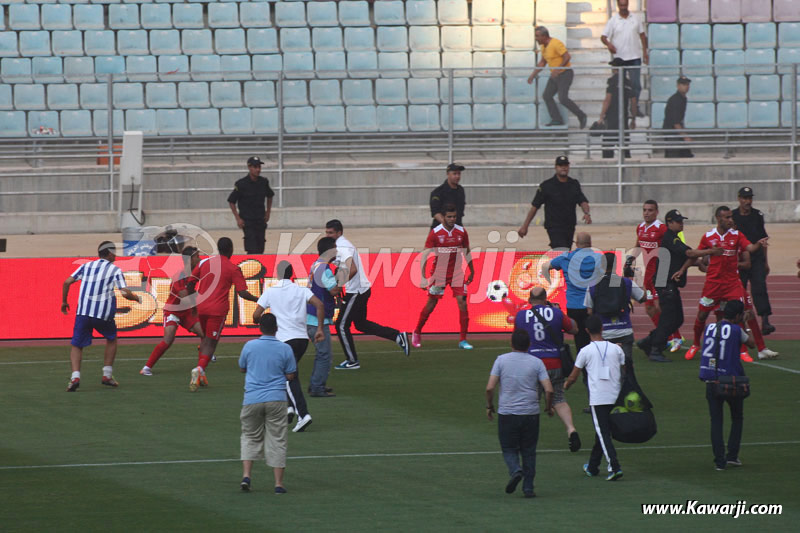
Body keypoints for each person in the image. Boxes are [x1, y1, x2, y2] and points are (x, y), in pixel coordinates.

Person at [685, 206, 769, 362]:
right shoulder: (708, 236)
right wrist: (710, 252)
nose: (731, 220)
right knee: (702, 315)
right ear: (718, 218)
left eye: (731, 217)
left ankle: (742, 350)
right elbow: (693, 253)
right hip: (713, 284)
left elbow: (749, 248)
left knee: (740, 314)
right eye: (727, 217)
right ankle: (696, 344)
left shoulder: (736, 235)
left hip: (732, 283)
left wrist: (758, 244)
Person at [636, 210, 722, 361]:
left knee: (677, 319)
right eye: (678, 221)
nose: (681, 223)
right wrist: (711, 251)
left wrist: (699, 263)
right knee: (669, 318)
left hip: (668, 283)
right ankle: (655, 349)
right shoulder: (670, 238)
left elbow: (686, 256)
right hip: (665, 283)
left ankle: (648, 341)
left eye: (681, 220)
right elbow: (689, 253)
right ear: (669, 223)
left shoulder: (674, 238)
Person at [325, 219, 410, 369]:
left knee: (341, 326)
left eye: (331, 232)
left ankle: (352, 361)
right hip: (361, 289)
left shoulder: (342, 247)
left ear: (339, 233)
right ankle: (397, 336)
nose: (328, 235)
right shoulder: (341, 245)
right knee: (361, 325)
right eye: (327, 232)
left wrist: (338, 286)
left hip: (356, 291)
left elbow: (352, 270)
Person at [253, 261, 325, 433]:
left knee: (287, 377)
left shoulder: (271, 291)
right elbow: (319, 305)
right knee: (284, 374)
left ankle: (303, 414)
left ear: (277, 274)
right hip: (302, 339)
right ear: (292, 274)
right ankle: (289, 408)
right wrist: (320, 328)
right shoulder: (301, 290)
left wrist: (260, 321)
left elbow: (256, 314)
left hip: (283, 341)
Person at [61, 241, 141, 391]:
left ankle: (75, 377)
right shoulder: (114, 269)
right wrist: (136, 298)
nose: (116, 255)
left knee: (77, 345)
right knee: (111, 339)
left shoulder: (86, 266)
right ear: (110, 253)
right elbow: (124, 292)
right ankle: (107, 375)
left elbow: (67, 282)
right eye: (115, 252)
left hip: (83, 312)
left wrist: (64, 301)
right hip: (102, 314)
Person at [485, 328, 554, 498]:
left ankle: (515, 469)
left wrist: (489, 405)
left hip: (508, 412)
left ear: (511, 344)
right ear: (529, 345)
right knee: (529, 451)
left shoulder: (501, 360)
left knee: (508, 448)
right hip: (530, 412)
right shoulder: (537, 362)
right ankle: (528, 488)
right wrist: (548, 406)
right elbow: (549, 389)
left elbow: (490, 387)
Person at [514, 287, 581, 453]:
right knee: (559, 398)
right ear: (546, 299)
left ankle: (526, 439)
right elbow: (574, 329)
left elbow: (518, 339)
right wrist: (559, 312)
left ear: (530, 300)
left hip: (532, 364)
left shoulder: (522, 315)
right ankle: (571, 429)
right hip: (554, 363)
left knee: (531, 402)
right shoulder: (556, 313)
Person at [189, 237, 260, 391]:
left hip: (201, 307)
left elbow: (190, 283)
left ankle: (201, 375)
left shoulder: (204, 263)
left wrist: (194, 302)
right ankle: (199, 369)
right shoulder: (232, 268)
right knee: (211, 342)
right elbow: (242, 292)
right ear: (231, 250)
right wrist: (258, 299)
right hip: (217, 309)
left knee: (205, 340)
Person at [238, 313, 297, 493]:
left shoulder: (250, 346)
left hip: (252, 398)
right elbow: (291, 375)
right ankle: (278, 484)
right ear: (276, 328)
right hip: (276, 399)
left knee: (250, 436)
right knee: (277, 439)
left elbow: (242, 367)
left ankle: (246, 475)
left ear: (260, 328)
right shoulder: (285, 348)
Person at [564, 315, 626, 481]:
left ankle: (614, 466)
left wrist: (566, 386)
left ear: (586, 331)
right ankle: (592, 466)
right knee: (602, 433)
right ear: (602, 328)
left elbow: (573, 376)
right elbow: (625, 367)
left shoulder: (585, 351)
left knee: (604, 433)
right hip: (616, 396)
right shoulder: (616, 349)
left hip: (598, 398)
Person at [698, 300, 755, 471]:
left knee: (716, 421)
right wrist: (746, 323)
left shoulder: (709, 327)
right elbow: (751, 343)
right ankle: (732, 456)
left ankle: (719, 461)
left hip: (711, 380)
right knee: (737, 417)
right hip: (731, 381)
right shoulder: (737, 330)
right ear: (737, 316)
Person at [413, 204, 475, 350]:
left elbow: (467, 251)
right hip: (439, 274)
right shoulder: (435, 233)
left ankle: (463, 340)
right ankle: (417, 331)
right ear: (443, 217)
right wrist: (422, 277)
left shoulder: (461, 232)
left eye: (454, 216)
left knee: (463, 302)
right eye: (449, 217)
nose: (452, 219)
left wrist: (472, 270)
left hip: (457, 273)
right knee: (431, 304)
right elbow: (425, 255)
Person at [629, 200, 684, 351]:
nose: (647, 213)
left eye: (650, 210)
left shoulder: (661, 228)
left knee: (661, 307)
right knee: (649, 309)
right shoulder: (640, 228)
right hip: (648, 275)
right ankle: (668, 336)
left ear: (657, 212)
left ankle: (675, 337)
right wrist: (630, 259)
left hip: (660, 274)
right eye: (645, 210)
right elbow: (638, 245)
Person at [141, 246, 204, 376]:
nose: (200, 258)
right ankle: (146, 367)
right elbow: (185, 298)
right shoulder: (179, 275)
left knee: (205, 335)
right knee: (168, 340)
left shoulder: (196, 272)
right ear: (190, 259)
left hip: (187, 312)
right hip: (173, 311)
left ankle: (201, 364)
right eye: (197, 256)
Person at [541, 232, 600, 354]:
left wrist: (550, 282)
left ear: (576, 244)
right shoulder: (598, 258)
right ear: (590, 244)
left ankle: (583, 365)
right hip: (592, 305)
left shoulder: (565, 257)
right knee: (595, 339)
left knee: (580, 340)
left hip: (573, 306)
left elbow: (546, 266)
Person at [584, 252, 646, 367]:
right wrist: (636, 277)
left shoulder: (592, 285)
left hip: (604, 333)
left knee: (605, 367)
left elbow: (589, 311)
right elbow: (643, 297)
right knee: (626, 367)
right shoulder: (626, 282)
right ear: (615, 265)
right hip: (624, 330)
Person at [517, 156, 592, 248]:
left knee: (565, 250)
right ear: (556, 167)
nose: (563, 167)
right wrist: (525, 226)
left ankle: (556, 262)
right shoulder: (546, 186)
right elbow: (535, 206)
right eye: (560, 165)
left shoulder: (574, 184)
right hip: (554, 226)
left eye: (565, 165)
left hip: (569, 225)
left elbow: (582, 201)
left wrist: (587, 213)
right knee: (561, 250)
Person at [732, 187, 774, 335]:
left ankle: (765, 321)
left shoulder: (757, 215)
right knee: (739, 290)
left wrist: (765, 262)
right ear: (739, 199)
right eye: (744, 198)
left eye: (749, 198)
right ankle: (739, 322)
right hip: (740, 259)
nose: (747, 201)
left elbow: (763, 239)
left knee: (760, 289)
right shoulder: (733, 216)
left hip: (756, 259)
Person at [527, 26, 587, 128]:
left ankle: (581, 115)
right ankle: (557, 119)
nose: (536, 39)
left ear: (544, 36)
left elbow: (567, 56)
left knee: (562, 98)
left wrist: (558, 69)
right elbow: (543, 62)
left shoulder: (556, 43)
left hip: (565, 73)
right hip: (555, 75)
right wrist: (533, 74)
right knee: (547, 95)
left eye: (537, 36)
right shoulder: (543, 46)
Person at [601, 0, 648, 118]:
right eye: (621, 5)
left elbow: (642, 35)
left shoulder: (635, 18)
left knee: (636, 85)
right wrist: (609, 45)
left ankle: (634, 108)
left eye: (625, 5)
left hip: (634, 57)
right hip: (619, 59)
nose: (623, 7)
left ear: (628, 4)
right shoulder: (613, 20)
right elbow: (603, 37)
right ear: (618, 5)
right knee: (618, 85)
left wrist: (645, 52)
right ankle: (620, 109)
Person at [306, 237, 340, 397]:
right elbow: (333, 290)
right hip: (318, 318)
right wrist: (345, 277)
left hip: (310, 316)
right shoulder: (324, 268)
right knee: (324, 354)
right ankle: (317, 386)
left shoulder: (316, 265)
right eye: (335, 248)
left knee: (322, 353)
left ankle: (316, 383)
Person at [228, 156, 275, 254]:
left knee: (260, 247)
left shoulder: (263, 182)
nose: (258, 169)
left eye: (259, 167)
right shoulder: (241, 184)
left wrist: (268, 212)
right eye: (255, 167)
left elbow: (270, 196)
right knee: (251, 248)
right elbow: (231, 201)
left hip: (260, 220)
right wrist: (238, 218)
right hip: (248, 221)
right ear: (249, 167)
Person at [598, 58, 634, 159]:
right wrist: (633, 118)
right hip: (624, 118)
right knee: (624, 147)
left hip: (612, 118)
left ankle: (607, 168)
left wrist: (601, 117)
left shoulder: (612, 80)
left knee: (607, 148)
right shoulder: (628, 82)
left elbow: (608, 99)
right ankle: (627, 169)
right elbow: (634, 101)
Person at [663, 76, 694, 158]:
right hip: (672, 132)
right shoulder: (676, 100)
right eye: (683, 84)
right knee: (673, 156)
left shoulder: (682, 98)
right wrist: (685, 136)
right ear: (678, 86)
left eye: (687, 84)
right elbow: (675, 121)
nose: (686, 87)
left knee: (686, 155)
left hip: (677, 131)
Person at [430, 163, 466, 228]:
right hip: (440, 228)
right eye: (454, 174)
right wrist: (448, 225)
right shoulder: (438, 192)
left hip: (457, 227)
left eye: (459, 174)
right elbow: (435, 212)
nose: (457, 176)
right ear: (448, 174)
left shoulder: (461, 190)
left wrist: (456, 228)